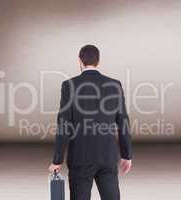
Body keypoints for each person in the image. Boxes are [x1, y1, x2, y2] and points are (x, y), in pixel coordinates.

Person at [49, 44, 132, 200]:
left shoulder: (69, 86)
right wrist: (126, 155)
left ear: (79, 61)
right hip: (107, 156)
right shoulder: (115, 85)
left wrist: (57, 160)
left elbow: (63, 125)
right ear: (98, 61)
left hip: (80, 157)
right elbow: (123, 122)